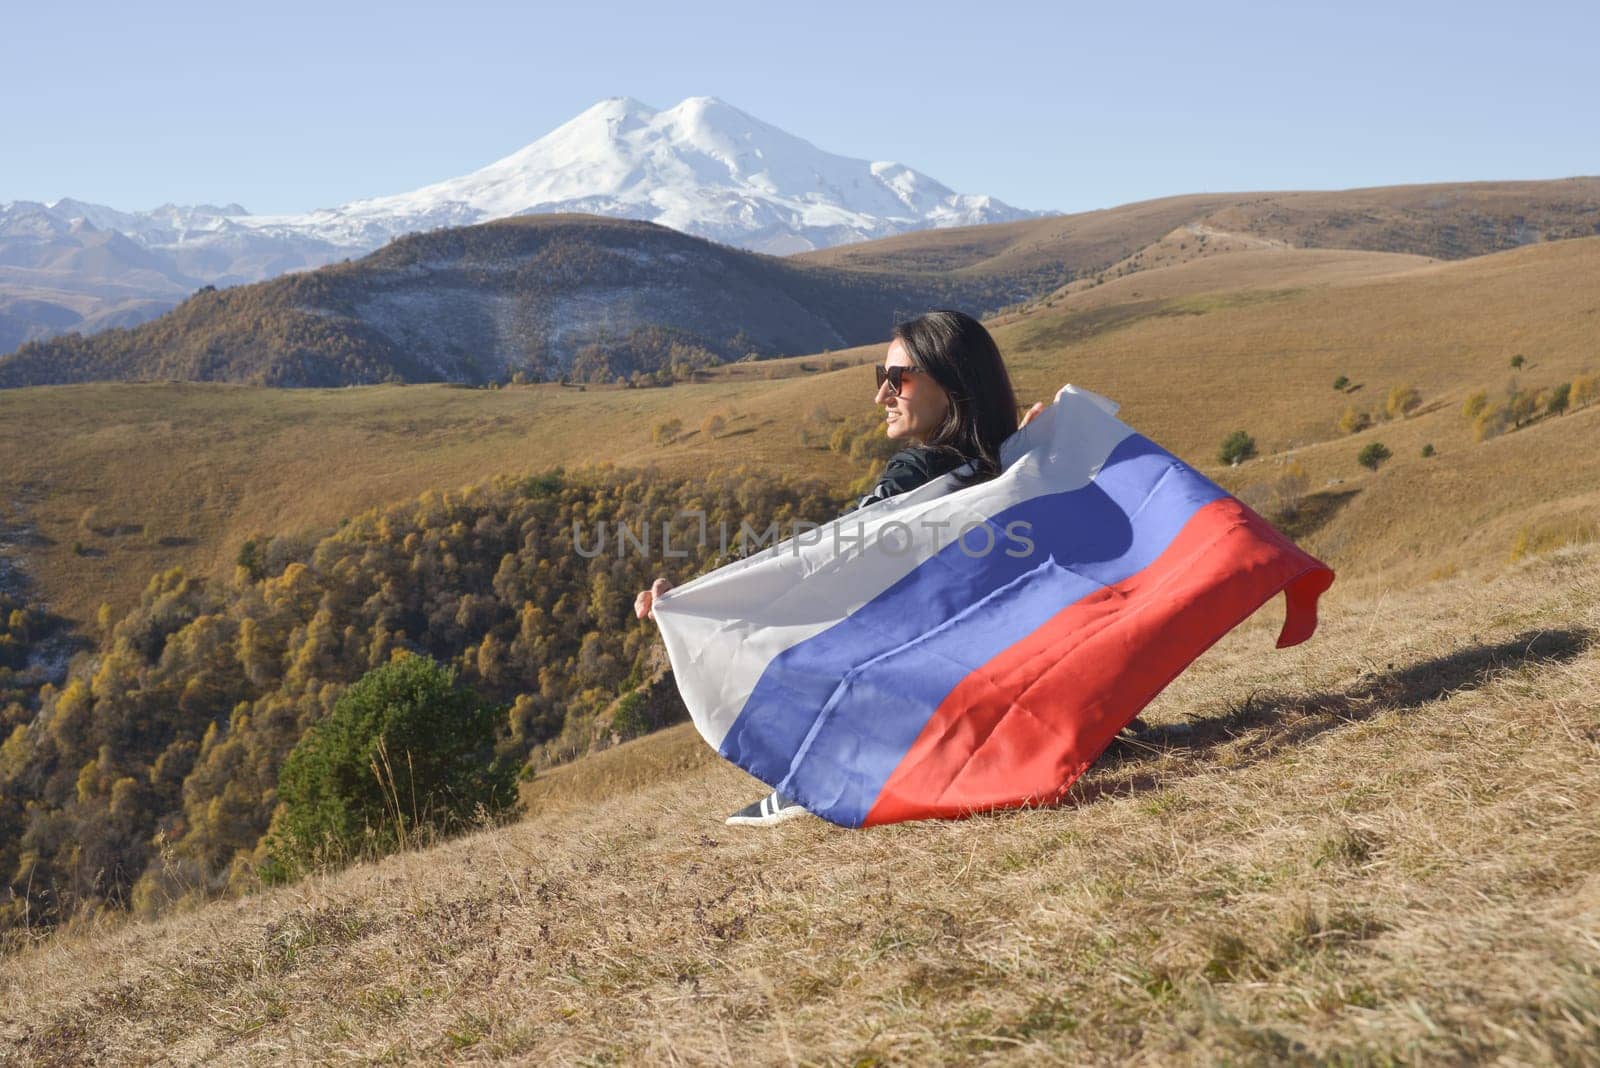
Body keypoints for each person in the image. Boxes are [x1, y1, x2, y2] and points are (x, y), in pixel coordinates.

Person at [634, 309, 1045, 827]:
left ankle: (817, 775)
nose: (882, 395)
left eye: (898, 378)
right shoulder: (1011, 467)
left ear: (951, 382)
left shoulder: (920, 473)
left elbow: (824, 558)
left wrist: (702, 596)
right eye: (882, 377)